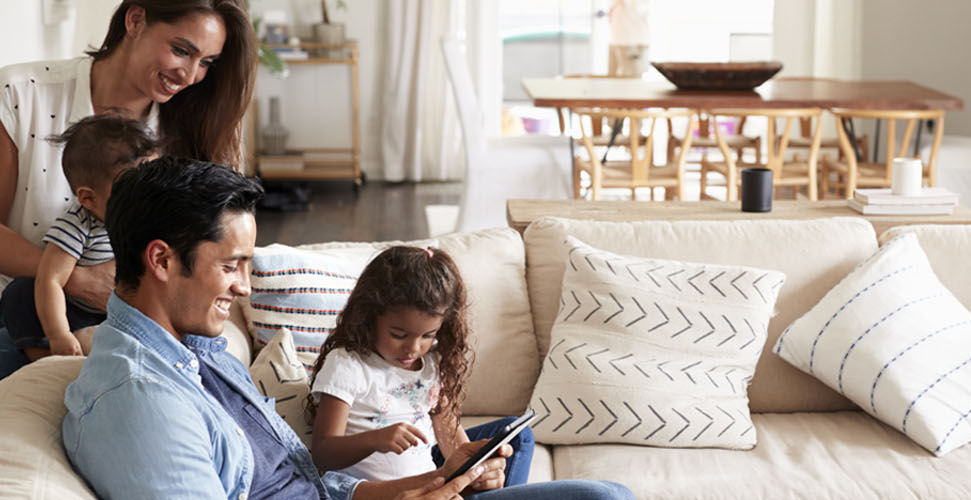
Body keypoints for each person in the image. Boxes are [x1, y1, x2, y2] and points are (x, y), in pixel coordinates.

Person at [65, 157, 632, 500]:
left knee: (607, 492)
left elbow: (303, 481)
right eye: (231, 265)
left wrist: (402, 489)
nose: (244, 287)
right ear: (162, 261)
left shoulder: (199, 350)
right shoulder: (140, 402)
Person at [0, 0, 255, 479]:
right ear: (135, 20)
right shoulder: (21, 92)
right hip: (12, 293)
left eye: (206, 62)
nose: (191, 74)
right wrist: (73, 278)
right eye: (181, 50)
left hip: (130, 312)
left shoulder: (188, 126)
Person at [307, 247, 535, 492]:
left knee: (517, 437)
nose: (413, 348)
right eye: (399, 334)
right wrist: (375, 440)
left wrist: (474, 471)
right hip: (386, 492)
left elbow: (451, 440)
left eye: (428, 335)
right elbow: (323, 453)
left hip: (433, 482)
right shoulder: (348, 364)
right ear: (369, 316)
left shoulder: (432, 363)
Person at [0, 114, 159, 361]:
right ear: (88, 199)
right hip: (77, 313)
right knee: (21, 292)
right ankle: (45, 358)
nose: (146, 198)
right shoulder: (78, 225)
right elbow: (50, 279)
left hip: (127, 313)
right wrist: (58, 333)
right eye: (130, 190)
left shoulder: (152, 219)